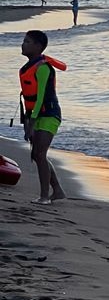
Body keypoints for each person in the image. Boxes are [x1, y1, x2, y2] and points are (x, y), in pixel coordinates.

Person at [19, 30, 66, 204]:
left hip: (50, 115)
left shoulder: (43, 68)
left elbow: (40, 98)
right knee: (37, 155)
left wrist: (32, 122)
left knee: (39, 154)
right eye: (24, 41)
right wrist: (27, 120)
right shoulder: (27, 68)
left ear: (38, 46)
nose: (23, 44)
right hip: (35, 115)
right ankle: (58, 191)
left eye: (27, 41)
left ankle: (45, 197)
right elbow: (28, 98)